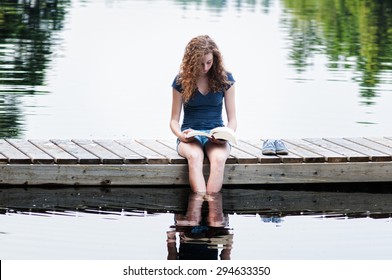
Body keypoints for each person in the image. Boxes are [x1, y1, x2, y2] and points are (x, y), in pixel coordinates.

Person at [170, 35, 237, 194]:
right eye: (201, 64)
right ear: (192, 61)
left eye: (209, 62)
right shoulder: (181, 81)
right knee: (194, 157)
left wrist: (226, 136)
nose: (206, 67)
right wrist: (181, 135)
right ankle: (198, 207)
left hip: (216, 135)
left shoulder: (225, 79)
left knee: (219, 159)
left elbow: (233, 119)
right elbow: (173, 120)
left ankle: (213, 212)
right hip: (190, 135)